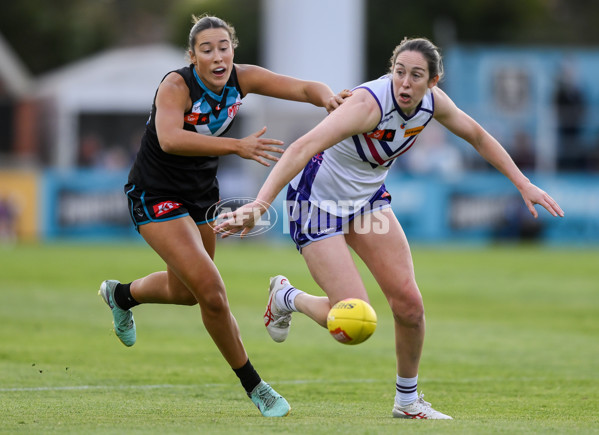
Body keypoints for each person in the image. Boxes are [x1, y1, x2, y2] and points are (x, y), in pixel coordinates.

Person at [214, 37, 565, 419]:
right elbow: (302, 147)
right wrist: (259, 205)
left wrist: (523, 183)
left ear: (432, 82)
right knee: (353, 322)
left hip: (366, 203)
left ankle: (407, 402)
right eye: (399, 72)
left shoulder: (432, 104)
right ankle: (287, 297)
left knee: (410, 307)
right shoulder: (368, 105)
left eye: (416, 75)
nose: (405, 82)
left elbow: (477, 136)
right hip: (316, 203)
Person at [98, 14, 349, 418]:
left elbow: (303, 86)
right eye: (207, 49)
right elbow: (169, 139)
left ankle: (120, 295)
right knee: (212, 293)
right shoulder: (176, 85)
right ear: (193, 56)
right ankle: (256, 386)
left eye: (224, 48)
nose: (218, 57)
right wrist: (237, 146)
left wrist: (327, 98)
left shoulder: (241, 78)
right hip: (154, 194)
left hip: (199, 194)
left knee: (186, 293)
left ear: (233, 49)